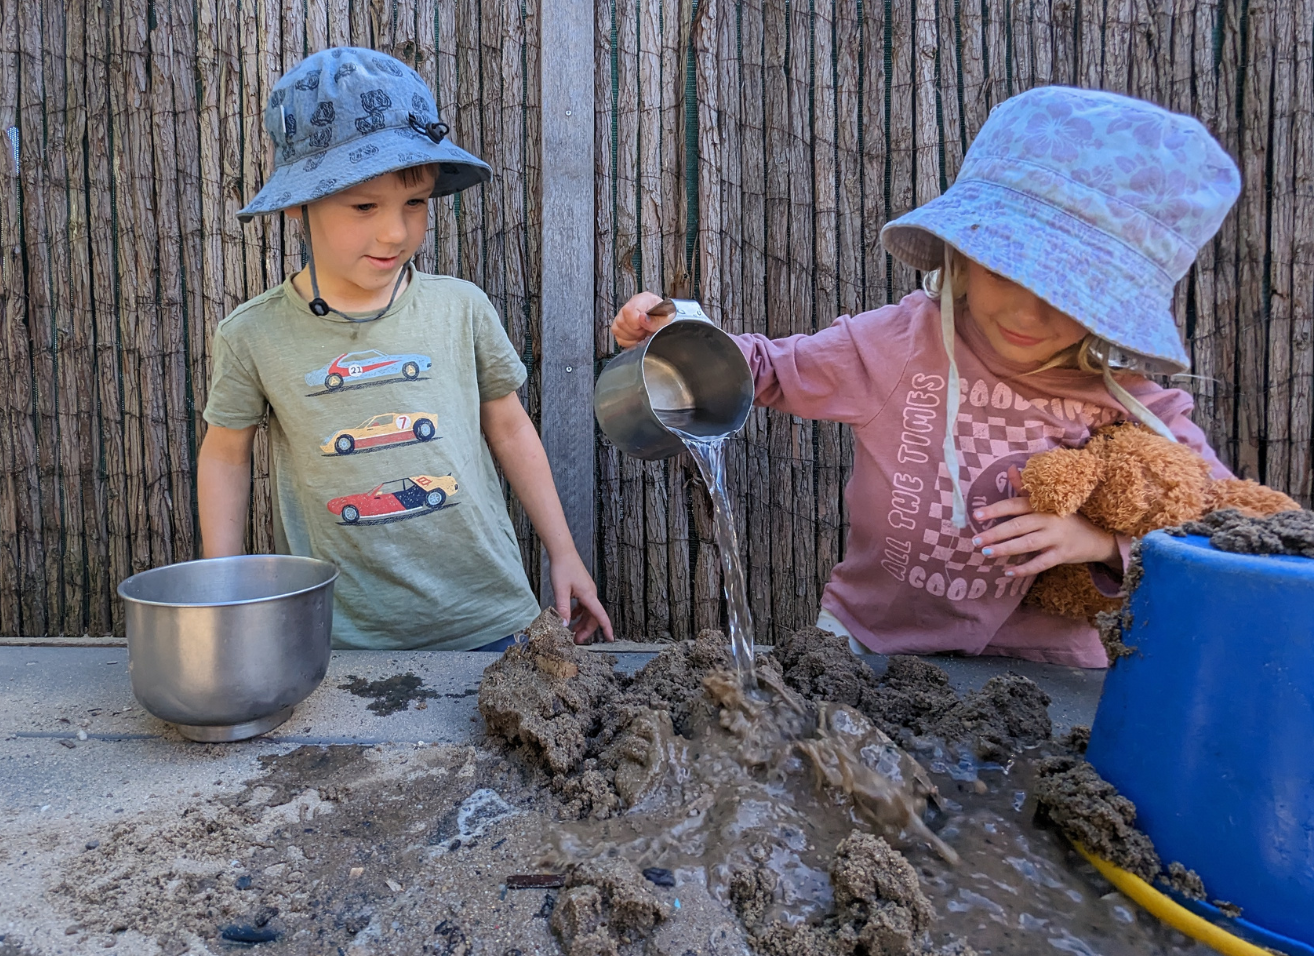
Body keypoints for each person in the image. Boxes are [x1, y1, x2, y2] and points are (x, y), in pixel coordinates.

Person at [610, 86, 1240, 668]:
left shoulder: (1132, 404)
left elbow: (1230, 530)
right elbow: (766, 368)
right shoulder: (901, 344)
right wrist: (672, 326)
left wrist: (1103, 543)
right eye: (1003, 272)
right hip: (867, 651)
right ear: (961, 254)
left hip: (1046, 672)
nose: (1025, 312)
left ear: (1114, 304)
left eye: (1065, 294)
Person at [198, 47, 611, 650]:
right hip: (341, 641)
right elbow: (225, 456)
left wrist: (565, 552)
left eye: (413, 203)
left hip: (490, 623)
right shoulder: (253, 335)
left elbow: (511, 428)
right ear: (298, 205)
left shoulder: (461, 308)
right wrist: (223, 583)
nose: (395, 231)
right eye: (364, 206)